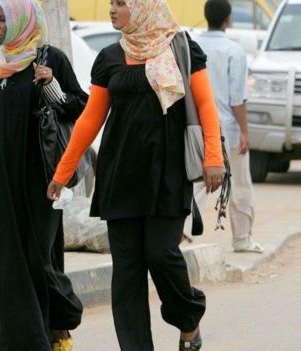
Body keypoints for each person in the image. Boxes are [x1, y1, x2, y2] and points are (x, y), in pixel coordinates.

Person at [46, 0, 225, 350]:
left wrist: (214, 157)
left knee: (161, 254)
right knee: (127, 272)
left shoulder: (183, 48)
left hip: (168, 174)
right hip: (120, 175)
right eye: (111, 4)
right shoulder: (110, 57)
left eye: (121, 3)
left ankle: (188, 319)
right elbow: (90, 120)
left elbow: (205, 105)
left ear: (145, 7)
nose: (113, 10)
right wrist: (62, 172)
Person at [0, 0, 86, 350]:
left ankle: (57, 323)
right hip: (1, 183)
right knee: (8, 264)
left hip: (42, 182)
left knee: (40, 259)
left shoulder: (49, 58)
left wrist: (52, 85)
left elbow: (80, 105)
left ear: (22, 21)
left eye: (2, 20)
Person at [191, 0, 264, 253]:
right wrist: (244, 131)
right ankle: (242, 239)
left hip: (198, 126)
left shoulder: (193, 45)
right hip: (227, 129)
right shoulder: (234, 51)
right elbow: (237, 98)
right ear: (228, 19)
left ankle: (181, 231)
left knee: (199, 181)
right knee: (240, 184)